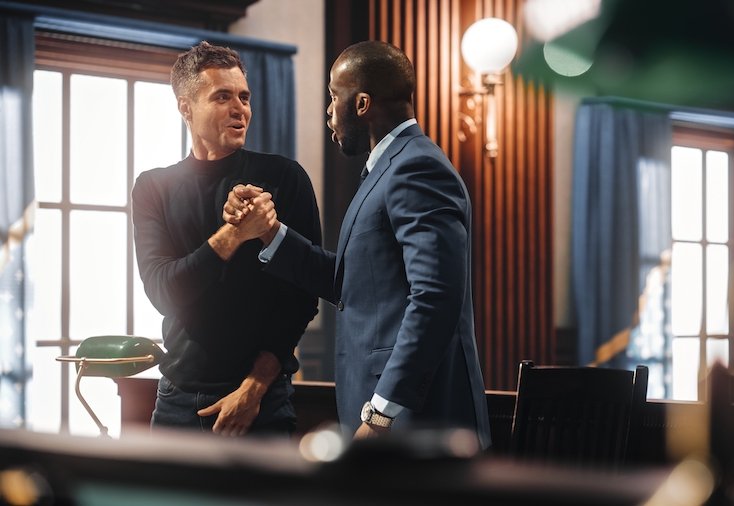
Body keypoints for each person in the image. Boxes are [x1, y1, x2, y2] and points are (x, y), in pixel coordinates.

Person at [224, 40, 491, 449]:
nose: (329, 110)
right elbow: (349, 282)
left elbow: (435, 298)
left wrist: (383, 410)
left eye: (334, 96)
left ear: (362, 103)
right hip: (385, 415)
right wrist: (269, 231)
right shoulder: (388, 168)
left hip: (417, 423)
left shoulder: (416, 167)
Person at [132, 41, 322, 437]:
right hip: (177, 402)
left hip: (264, 402)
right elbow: (164, 293)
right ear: (185, 107)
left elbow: (302, 299)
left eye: (244, 96)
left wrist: (253, 390)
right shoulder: (153, 187)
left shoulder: (285, 178)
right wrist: (233, 236)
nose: (240, 109)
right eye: (222, 97)